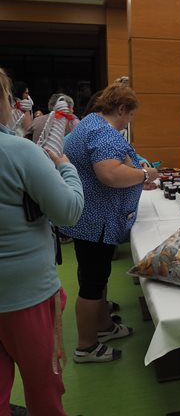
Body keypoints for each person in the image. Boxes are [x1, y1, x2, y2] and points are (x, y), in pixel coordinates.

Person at [0, 67, 84, 416]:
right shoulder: (18, 151)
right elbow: (68, 211)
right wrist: (66, 167)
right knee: (43, 389)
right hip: (26, 295)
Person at [60, 82, 160, 363]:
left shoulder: (90, 123)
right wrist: (144, 175)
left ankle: (103, 326)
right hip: (96, 220)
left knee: (98, 275)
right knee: (92, 283)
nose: (129, 122)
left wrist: (135, 174)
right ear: (121, 109)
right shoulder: (103, 132)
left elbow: (114, 165)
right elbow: (110, 174)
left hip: (89, 217)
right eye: (130, 115)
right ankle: (86, 346)